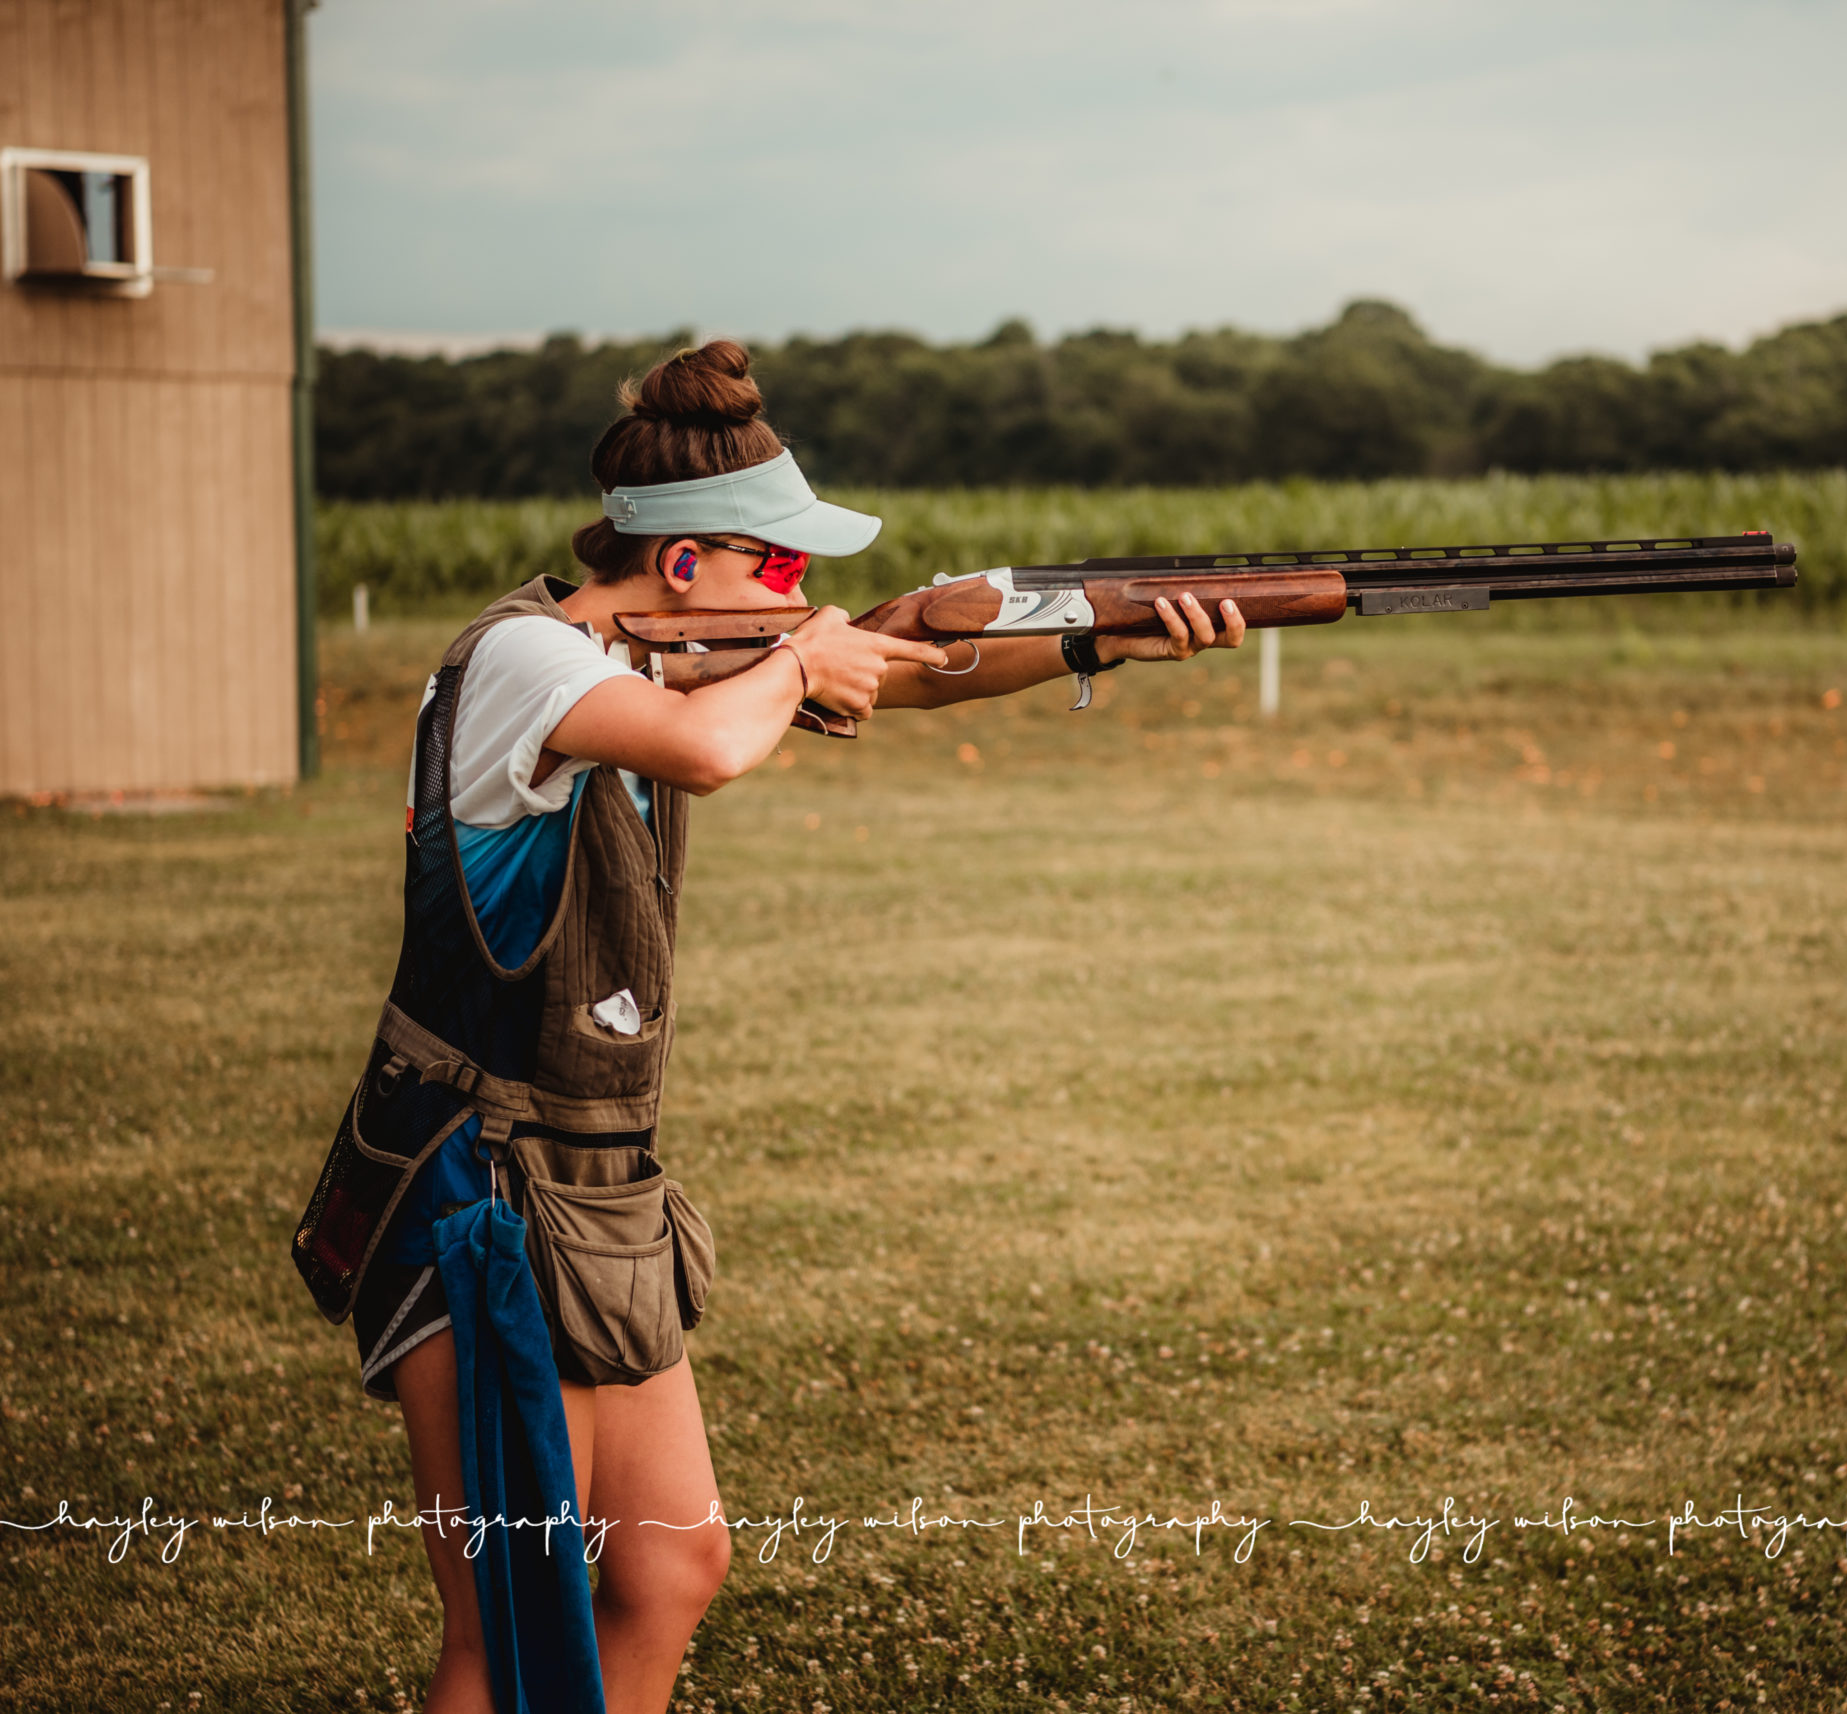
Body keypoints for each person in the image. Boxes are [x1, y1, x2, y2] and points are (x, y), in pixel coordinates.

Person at [288, 339, 1244, 1714]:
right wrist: (803, 660)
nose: (803, 599)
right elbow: (718, 749)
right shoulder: (525, 660)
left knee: (671, 1566)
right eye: (779, 570)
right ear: (683, 568)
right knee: (508, 1624)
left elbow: (913, 666)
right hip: (478, 1188)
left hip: (595, 1182)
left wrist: (1106, 631)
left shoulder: (659, 662)